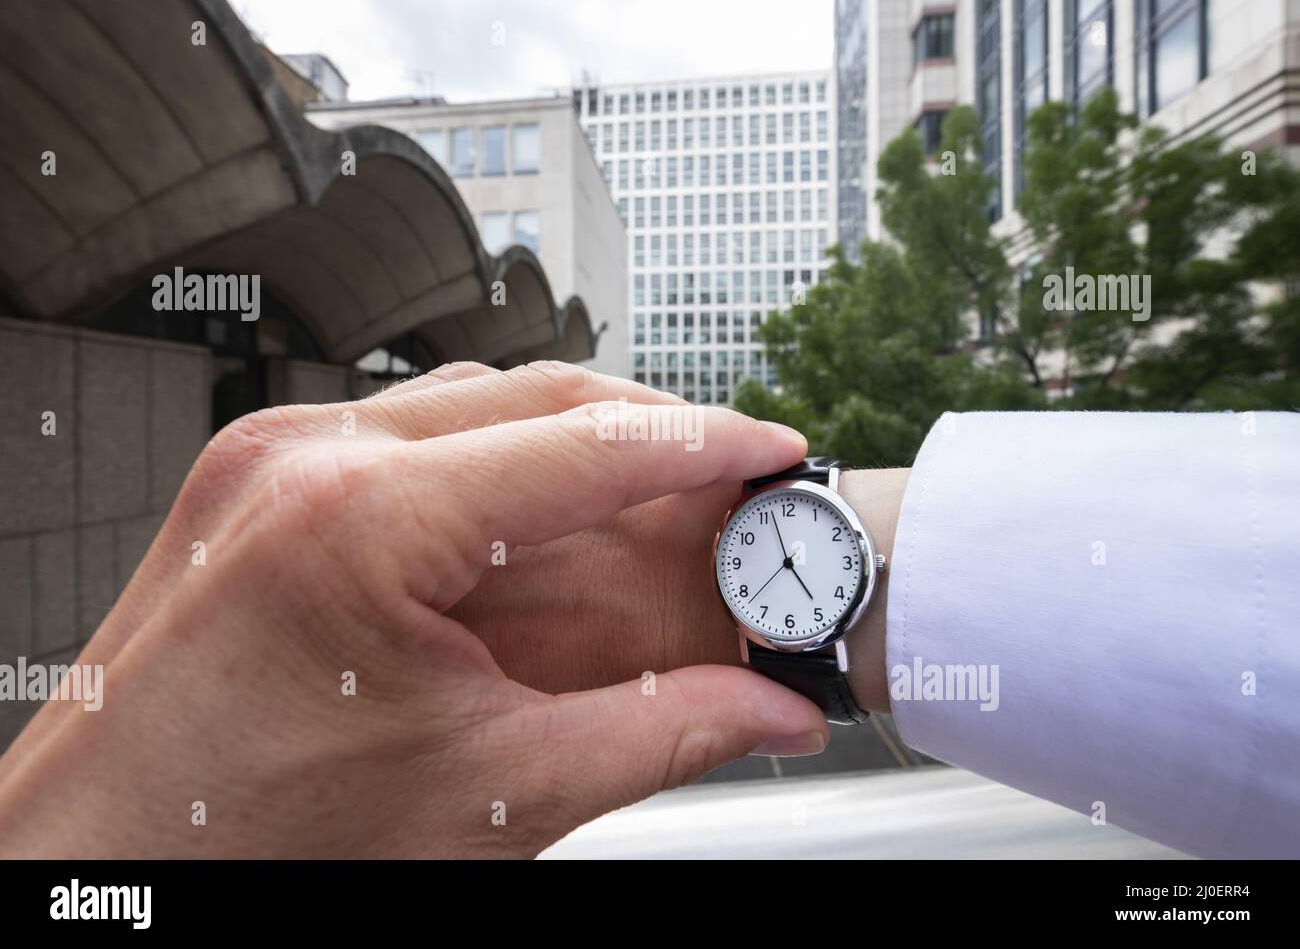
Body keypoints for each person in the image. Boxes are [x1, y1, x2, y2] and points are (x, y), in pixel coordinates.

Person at [0, 361, 1293, 858]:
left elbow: (798, 560)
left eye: (786, 570)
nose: (784, 579)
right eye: (774, 574)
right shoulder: (790, 558)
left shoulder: (786, 551)